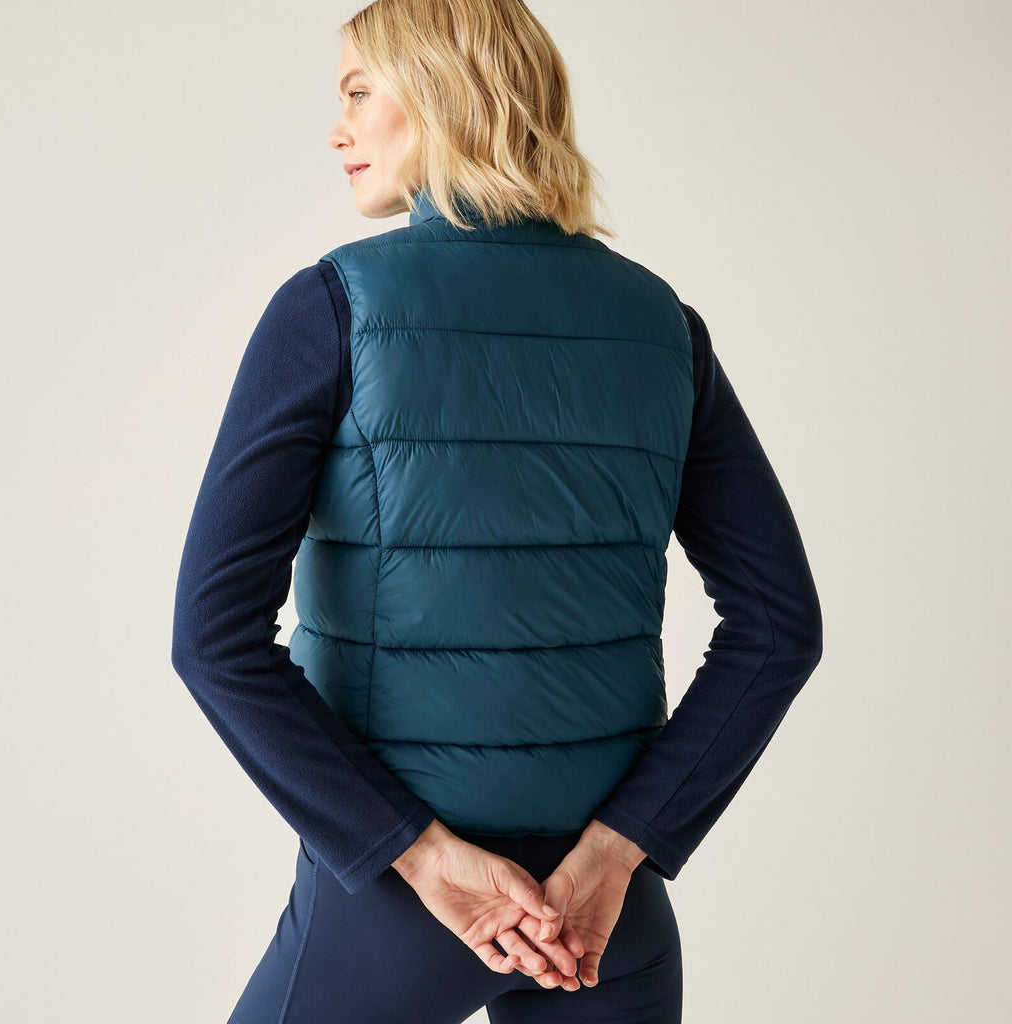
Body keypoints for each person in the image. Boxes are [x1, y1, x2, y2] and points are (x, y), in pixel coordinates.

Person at [170, 1, 824, 1021]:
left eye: (358, 92)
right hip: (603, 921)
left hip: (393, 914)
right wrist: (619, 851)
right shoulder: (660, 325)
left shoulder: (332, 307)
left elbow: (211, 639)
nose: (337, 130)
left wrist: (421, 858)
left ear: (441, 93)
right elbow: (781, 628)